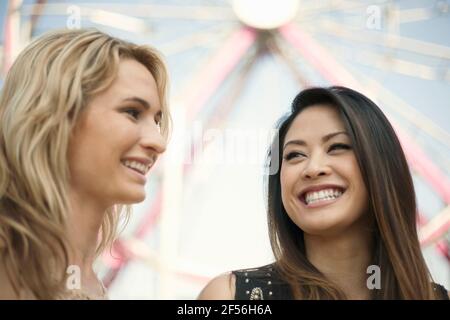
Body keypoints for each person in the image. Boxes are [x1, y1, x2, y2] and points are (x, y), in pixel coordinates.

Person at [198, 86, 449, 300]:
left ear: (381, 167)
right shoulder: (230, 296)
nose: (313, 168)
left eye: (337, 147)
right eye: (295, 155)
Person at [0, 28, 170, 299]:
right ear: (56, 117)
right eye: (132, 112)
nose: (158, 142)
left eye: (157, 120)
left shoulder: (90, 283)